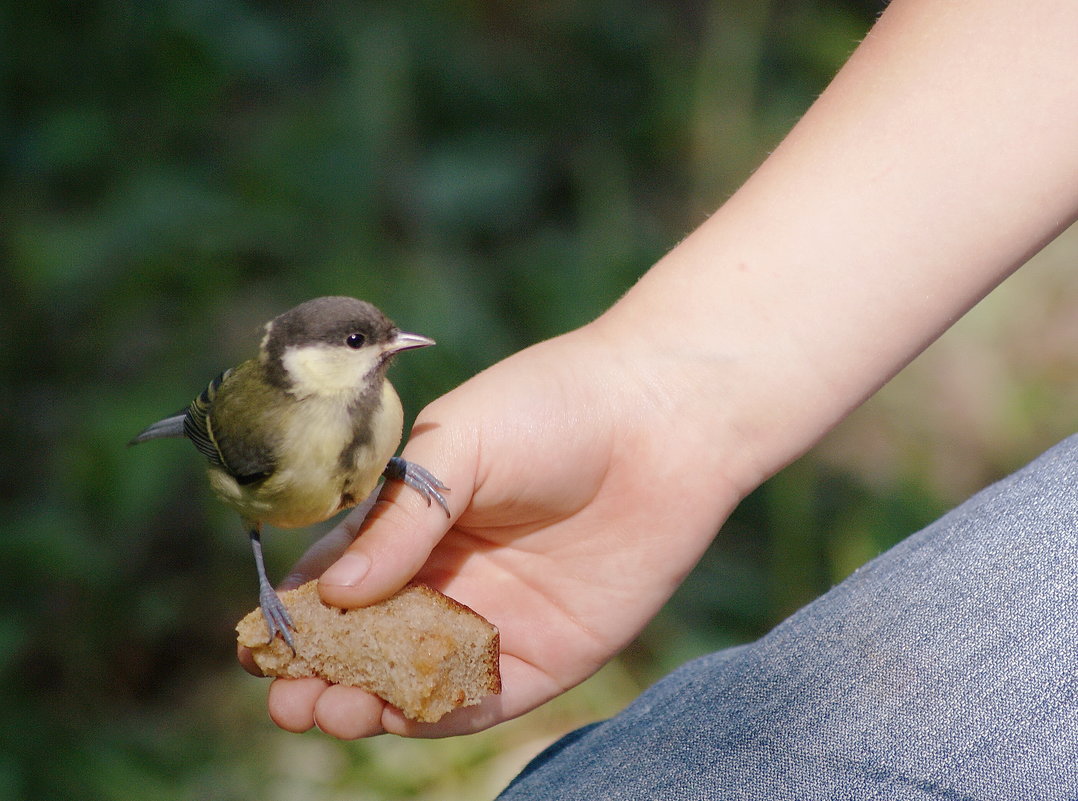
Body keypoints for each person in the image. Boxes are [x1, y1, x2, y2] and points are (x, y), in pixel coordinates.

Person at [241, 0, 1078, 795]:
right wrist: (658, 399)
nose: (392, 351)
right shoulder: (266, 423)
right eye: (361, 346)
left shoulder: (379, 407)